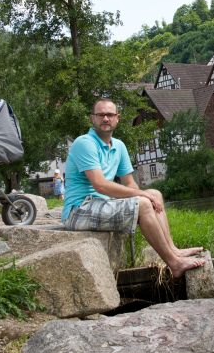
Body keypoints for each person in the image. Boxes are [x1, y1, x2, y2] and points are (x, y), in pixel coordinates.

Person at [61, 99, 205, 278]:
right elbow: (100, 184)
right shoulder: (84, 143)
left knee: (154, 194)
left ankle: (173, 250)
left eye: (110, 115)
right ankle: (174, 263)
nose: (105, 118)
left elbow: (129, 183)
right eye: (101, 115)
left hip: (102, 204)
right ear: (92, 118)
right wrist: (142, 197)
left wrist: (145, 196)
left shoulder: (119, 146)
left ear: (117, 118)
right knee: (143, 203)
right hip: (79, 210)